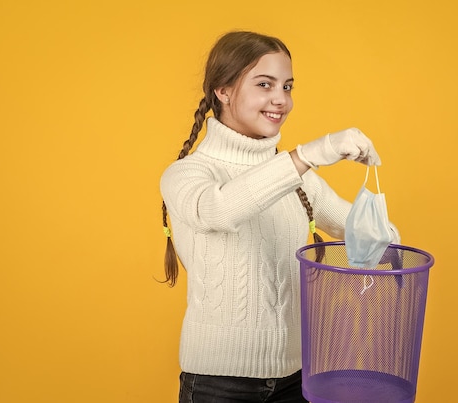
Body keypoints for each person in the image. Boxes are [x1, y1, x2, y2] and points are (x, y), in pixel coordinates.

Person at [160, 31, 397, 403]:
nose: (280, 100)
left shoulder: (301, 181)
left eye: (287, 86)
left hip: (298, 377)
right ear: (222, 90)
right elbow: (219, 210)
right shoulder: (188, 175)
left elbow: (375, 240)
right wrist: (309, 154)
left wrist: (376, 217)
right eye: (264, 84)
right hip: (218, 384)